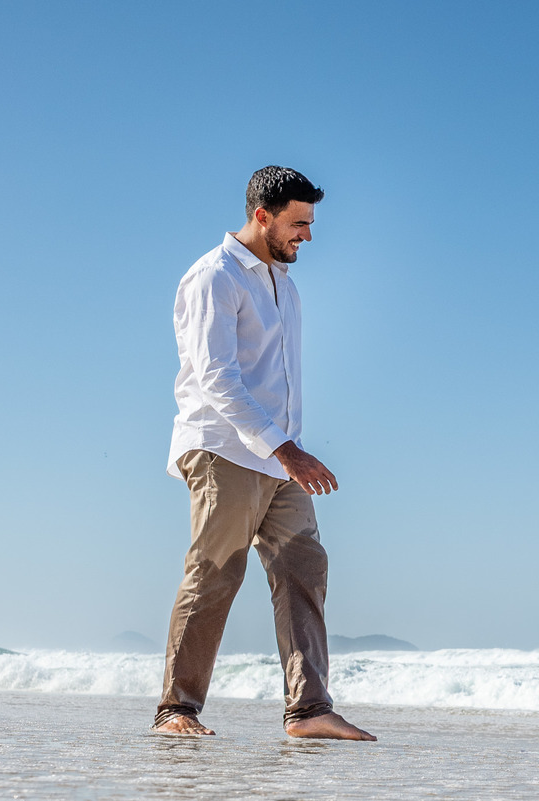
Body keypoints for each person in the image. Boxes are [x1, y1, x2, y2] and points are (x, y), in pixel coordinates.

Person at [153, 166, 375, 741]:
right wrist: (286, 449)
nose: (307, 235)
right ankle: (176, 709)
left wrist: (287, 450)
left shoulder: (284, 285)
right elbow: (217, 379)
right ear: (262, 216)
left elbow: (281, 380)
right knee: (217, 571)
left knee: (304, 566)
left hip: (279, 457)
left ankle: (308, 711)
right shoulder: (214, 277)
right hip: (224, 447)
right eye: (298, 223)